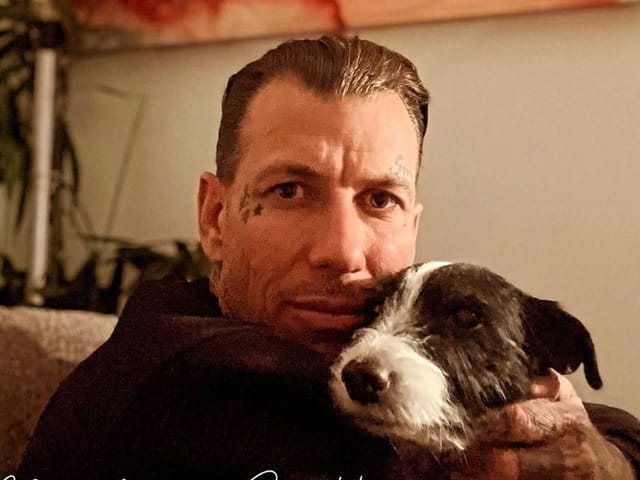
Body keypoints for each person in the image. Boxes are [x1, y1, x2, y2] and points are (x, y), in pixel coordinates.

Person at [20, 35, 640, 480]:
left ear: (413, 226)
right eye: (289, 191)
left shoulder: (350, 349)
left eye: (380, 200)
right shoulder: (193, 383)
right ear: (215, 216)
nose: (342, 252)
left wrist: (607, 450)